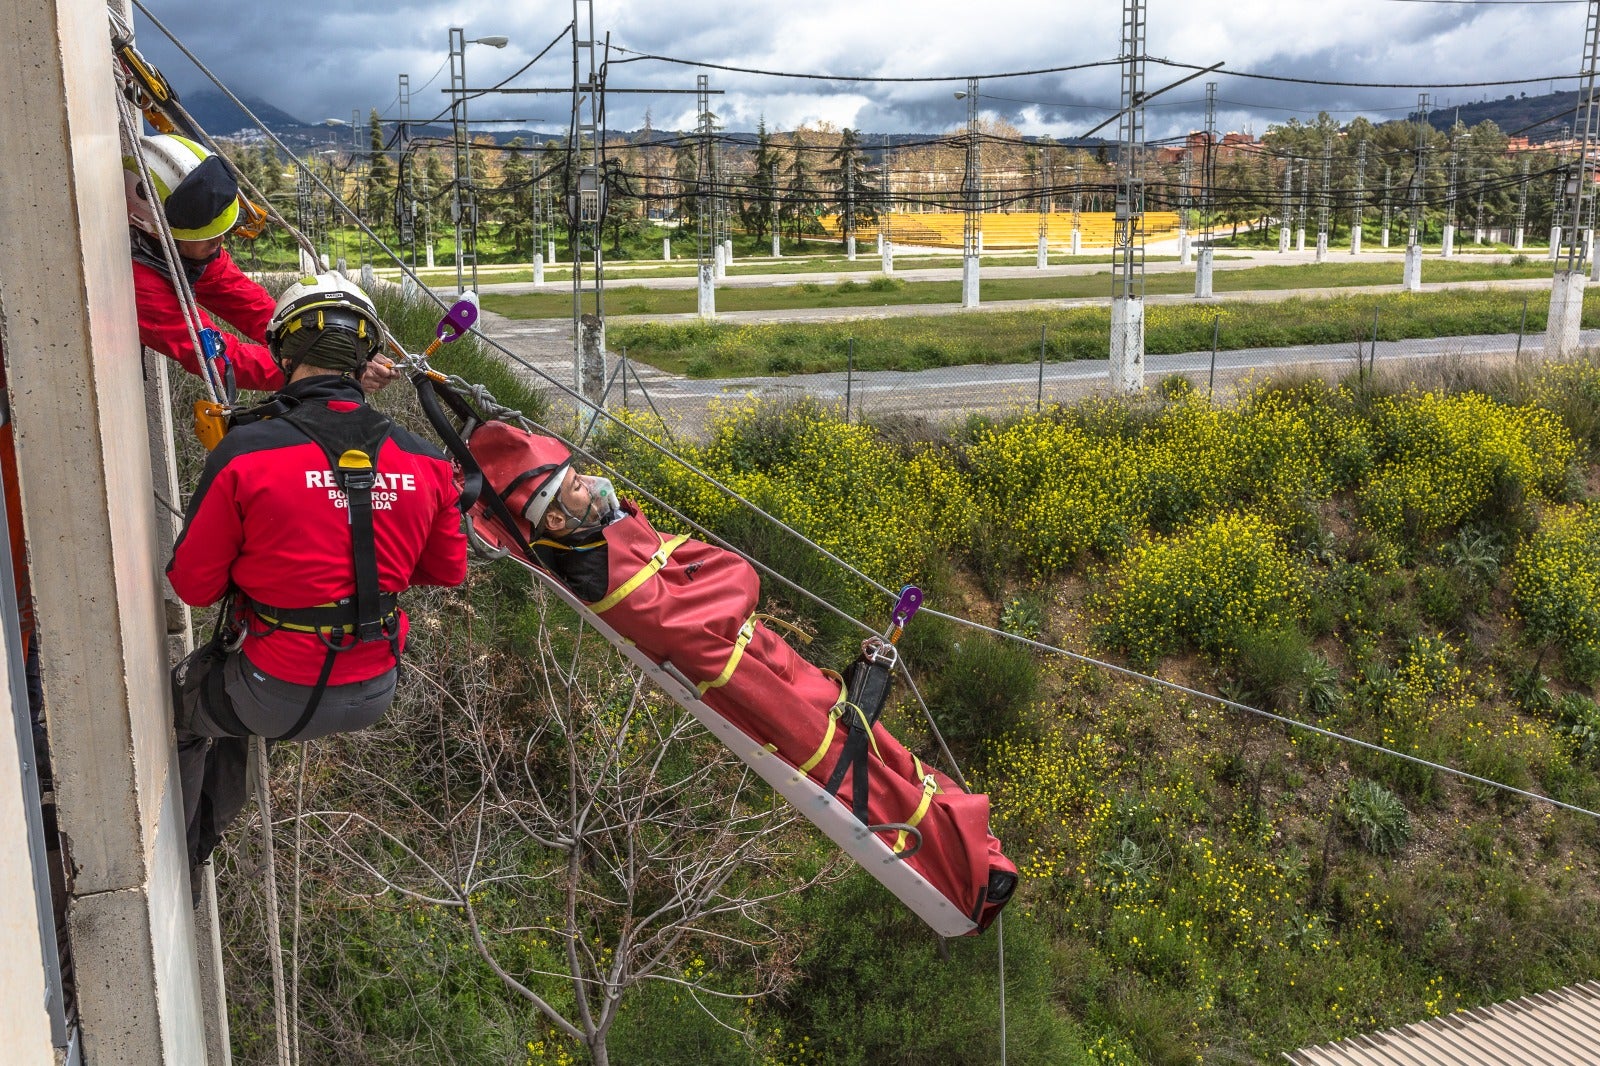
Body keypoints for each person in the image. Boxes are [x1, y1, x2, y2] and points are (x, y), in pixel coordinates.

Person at [167, 273, 467, 896]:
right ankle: (203, 844)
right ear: (366, 357)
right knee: (236, 704)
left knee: (190, 706)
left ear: (283, 352)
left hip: (271, 688)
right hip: (374, 686)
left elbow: (193, 587)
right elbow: (445, 570)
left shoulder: (246, 452)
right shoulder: (428, 463)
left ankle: (189, 850)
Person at [125, 133, 399, 393]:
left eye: (221, 227)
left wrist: (344, 348)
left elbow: (252, 307)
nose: (220, 239)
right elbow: (214, 355)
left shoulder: (189, 251)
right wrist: (328, 372)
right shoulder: (137, 284)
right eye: (205, 234)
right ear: (152, 229)